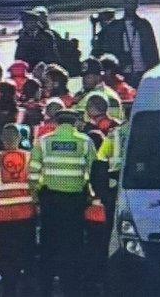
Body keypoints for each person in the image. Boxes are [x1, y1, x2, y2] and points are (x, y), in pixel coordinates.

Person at [30, 109, 97, 297]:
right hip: (74, 203)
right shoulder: (85, 142)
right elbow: (93, 172)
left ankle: (45, 290)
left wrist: (35, 195)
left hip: (50, 202)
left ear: (56, 122)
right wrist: (90, 194)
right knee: (72, 247)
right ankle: (71, 289)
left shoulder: (44, 141)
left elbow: (34, 171)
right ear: (75, 122)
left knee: (48, 247)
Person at [0, 124, 36, 296]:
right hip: (26, 215)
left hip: (3, 218)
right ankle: (28, 290)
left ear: (3, 140)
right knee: (27, 256)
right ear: (20, 139)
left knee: (7, 258)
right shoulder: (30, 158)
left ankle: (9, 291)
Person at [95, 0, 160, 88]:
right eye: (128, 3)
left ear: (137, 5)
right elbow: (107, 48)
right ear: (124, 4)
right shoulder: (115, 26)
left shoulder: (144, 25)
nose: (130, 7)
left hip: (142, 70)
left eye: (133, 4)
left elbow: (152, 48)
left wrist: (155, 69)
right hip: (122, 71)